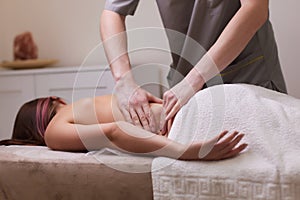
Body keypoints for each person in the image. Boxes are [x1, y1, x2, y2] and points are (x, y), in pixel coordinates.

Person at [100, 0, 287, 134]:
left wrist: (193, 81)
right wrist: (123, 80)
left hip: (246, 75)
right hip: (184, 81)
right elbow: (112, 12)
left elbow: (255, 9)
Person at [0, 95, 247, 161]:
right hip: (198, 106)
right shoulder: (82, 107)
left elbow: (113, 132)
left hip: (189, 121)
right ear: (57, 101)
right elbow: (115, 130)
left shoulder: (54, 131)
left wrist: (185, 152)